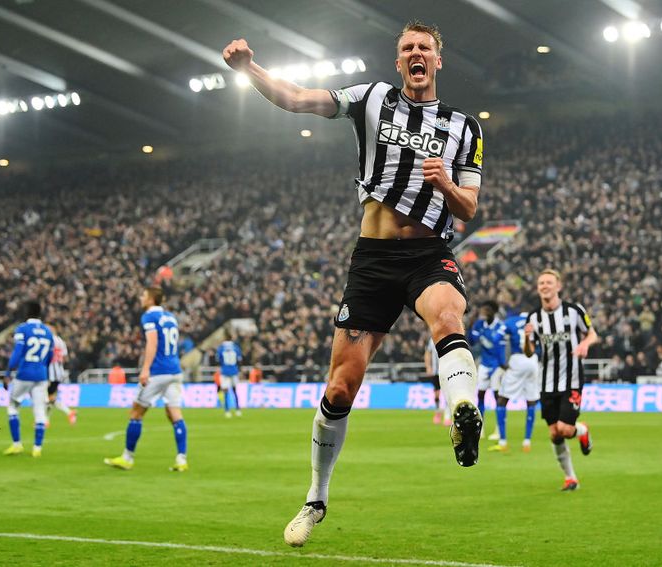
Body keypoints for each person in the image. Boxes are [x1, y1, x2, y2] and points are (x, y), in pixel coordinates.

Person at [224, 19, 484, 548]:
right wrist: (249, 69)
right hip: (373, 260)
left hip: (428, 252)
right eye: (408, 47)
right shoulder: (370, 99)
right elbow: (297, 98)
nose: (416, 53)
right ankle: (315, 499)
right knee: (341, 387)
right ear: (399, 61)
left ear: (438, 61)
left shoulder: (465, 127)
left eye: (425, 48)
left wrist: (446, 183)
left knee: (448, 315)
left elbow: (470, 207)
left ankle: (462, 411)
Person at [524, 269, 598, 491]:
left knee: (566, 429)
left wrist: (585, 344)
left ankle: (581, 430)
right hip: (546, 383)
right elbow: (529, 352)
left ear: (558, 286)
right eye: (541, 283)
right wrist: (527, 338)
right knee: (555, 433)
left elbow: (592, 333)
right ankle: (570, 478)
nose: (544, 286)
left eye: (549, 282)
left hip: (572, 379)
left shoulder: (574, 311)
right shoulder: (534, 318)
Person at [104, 287, 188, 472]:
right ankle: (181, 459)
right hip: (174, 370)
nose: (141, 298)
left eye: (143, 295)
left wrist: (146, 369)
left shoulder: (149, 317)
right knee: (174, 413)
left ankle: (127, 458)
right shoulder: (170, 317)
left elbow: (152, 342)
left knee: (136, 413)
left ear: (151, 299)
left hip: (158, 372)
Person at [3, 300, 54, 457]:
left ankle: (17, 444)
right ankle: (37, 448)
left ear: (26, 313)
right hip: (41, 375)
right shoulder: (48, 331)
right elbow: (50, 356)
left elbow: (17, 353)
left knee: (13, 406)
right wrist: (42, 367)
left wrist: (8, 373)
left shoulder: (23, 329)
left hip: (24, 374)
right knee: (40, 411)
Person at [489, 309, 541, 453]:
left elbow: (496, 338)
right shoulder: (536, 322)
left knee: (502, 400)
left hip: (517, 360)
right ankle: (526, 442)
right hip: (533, 362)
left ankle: (503, 441)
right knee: (531, 401)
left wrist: (501, 361)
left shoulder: (511, 322)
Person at [467, 300, 506, 437]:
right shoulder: (479, 325)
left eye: (487, 310)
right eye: (483, 310)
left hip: (497, 366)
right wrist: (470, 325)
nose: (484, 313)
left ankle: (499, 429)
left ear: (493, 312)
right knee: (480, 395)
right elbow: (471, 342)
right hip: (484, 364)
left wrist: (503, 366)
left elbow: (499, 347)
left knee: (497, 397)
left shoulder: (500, 326)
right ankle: (480, 428)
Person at [46, 327, 77, 426]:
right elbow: (64, 357)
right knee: (49, 398)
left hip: (49, 374)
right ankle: (46, 420)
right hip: (59, 373)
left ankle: (68, 412)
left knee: (45, 397)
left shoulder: (48, 340)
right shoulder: (61, 341)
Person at [424, 335, 451, 426]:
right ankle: (438, 412)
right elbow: (428, 353)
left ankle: (447, 417)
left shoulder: (448, 338)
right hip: (436, 371)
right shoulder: (432, 339)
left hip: (446, 371)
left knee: (447, 394)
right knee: (436, 394)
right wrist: (428, 367)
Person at [216, 336, 243, 418]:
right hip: (234, 371)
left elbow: (218, 360)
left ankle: (227, 411)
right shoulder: (236, 348)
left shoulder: (221, 348)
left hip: (225, 372)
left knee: (226, 392)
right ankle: (238, 409)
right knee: (235, 391)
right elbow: (239, 360)